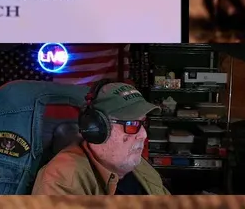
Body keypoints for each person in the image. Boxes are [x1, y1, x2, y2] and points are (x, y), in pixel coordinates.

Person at [32, 81, 168, 195]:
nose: (143, 135)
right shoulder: (62, 180)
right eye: (131, 124)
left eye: (143, 123)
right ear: (96, 128)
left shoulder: (139, 165)